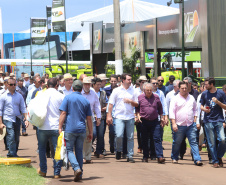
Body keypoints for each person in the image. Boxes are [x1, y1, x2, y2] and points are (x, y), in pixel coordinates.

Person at [59, 80, 93, 182]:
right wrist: (91, 132)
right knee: (79, 151)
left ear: (73, 88)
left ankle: (76, 168)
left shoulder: (68, 98)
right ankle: (80, 173)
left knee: (69, 150)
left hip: (70, 128)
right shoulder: (85, 100)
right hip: (81, 129)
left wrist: (60, 127)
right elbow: (89, 119)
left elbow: (63, 113)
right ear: (81, 89)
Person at [169, 81, 203, 166]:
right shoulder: (175, 98)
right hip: (179, 125)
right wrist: (173, 123)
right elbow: (172, 112)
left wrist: (195, 120)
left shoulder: (191, 98)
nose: (184, 90)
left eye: (185, 88)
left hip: (191, 125)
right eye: (182, 88)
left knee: (194, 142)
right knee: (177, 142)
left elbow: (195, 109)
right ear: (179, 89)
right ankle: (174, 157)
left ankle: (197, 159)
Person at [107, 73, 138, 163]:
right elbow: (111, 103)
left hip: (130, 116)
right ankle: (119, 150)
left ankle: (130, 155)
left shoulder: (134, 91)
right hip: (119, 116)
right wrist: (109, 115)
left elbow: (137, 104)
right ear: (123, 80)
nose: (130, 81)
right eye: (128, 79)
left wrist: (130, 101)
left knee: (130, 137)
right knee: (119, 135)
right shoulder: (116, 90)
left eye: (130, 80)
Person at [37, 78, 64, 178]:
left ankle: (43, 170)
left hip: (43, 126)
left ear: (47, 85)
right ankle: (56, 172)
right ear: (57, 85)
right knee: (57, 149)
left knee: (42, 149)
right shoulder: (61, 96)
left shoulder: (40, 94)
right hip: (55, 126)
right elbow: (63, 112)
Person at [200, 77, 226, 168]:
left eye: (206, 84)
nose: (205, 85)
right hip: (208, 121)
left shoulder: (221, 93)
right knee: (211, 142)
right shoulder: (204, 94)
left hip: (219, 120)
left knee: (223, 139)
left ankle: (219, 156)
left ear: (212, 84)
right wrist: (204, 110)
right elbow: (201, 106)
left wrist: (218, 102)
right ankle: (215, 160)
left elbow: (225, 107)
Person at [136, 83, 165, 163]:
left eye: (150, 90)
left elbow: (160, 108)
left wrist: (162, 117)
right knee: (144, 139)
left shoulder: (156, 97)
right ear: (144, 90)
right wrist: (137, 115)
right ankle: (145, 156)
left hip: (155, 121)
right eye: (147, 90)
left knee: (157, 138)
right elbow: (137, 108)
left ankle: (159, 156)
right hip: (144, 121)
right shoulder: (140, 97)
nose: (149, 92)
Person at [0, 78, 29, 157]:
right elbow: (0, 110)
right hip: (7, 119)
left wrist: (26, 119)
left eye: (14, 84)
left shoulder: (19, 96)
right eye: (11, 85)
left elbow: (23, 108)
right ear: (7, 85)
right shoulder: (3, 96)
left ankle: (13, 152)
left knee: (16, 138)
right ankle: (12, 153)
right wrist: (1, 123)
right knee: (11, 135)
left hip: (17, 118)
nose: (13, 86)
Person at [81, 77, 101, 163]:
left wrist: (99, 117)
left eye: (88, 84)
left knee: (90, 136)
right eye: (85, 84)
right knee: (82, 138)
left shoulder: (93, 93)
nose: (87, 86)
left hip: (91, 118)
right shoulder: (79, 93)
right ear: (82, 84)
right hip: (81, 118)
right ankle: (82, 156)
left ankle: (88, 156)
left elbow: (97, 106)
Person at [92, 77, 108, 158]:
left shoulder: (103, 93)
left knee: (101, 134)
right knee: (93, 134)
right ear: (93, 84)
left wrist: (105, 108)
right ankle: (89, 149)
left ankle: (99, 151)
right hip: (91, 117)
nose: (99, 86)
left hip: (101, 116)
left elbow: (107, 103)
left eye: (100, 84)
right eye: (97, 84)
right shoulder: (90, 92)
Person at [134, 75, 147, 153]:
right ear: (139, 83)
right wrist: (135, 115)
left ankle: (147, 147)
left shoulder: (149, 90)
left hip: (147, 114)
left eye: (145, 82)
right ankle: (140, 146)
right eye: (142, 82)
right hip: (138, 113)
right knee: (139, 131)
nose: (144, 83)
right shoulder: (135, 91)